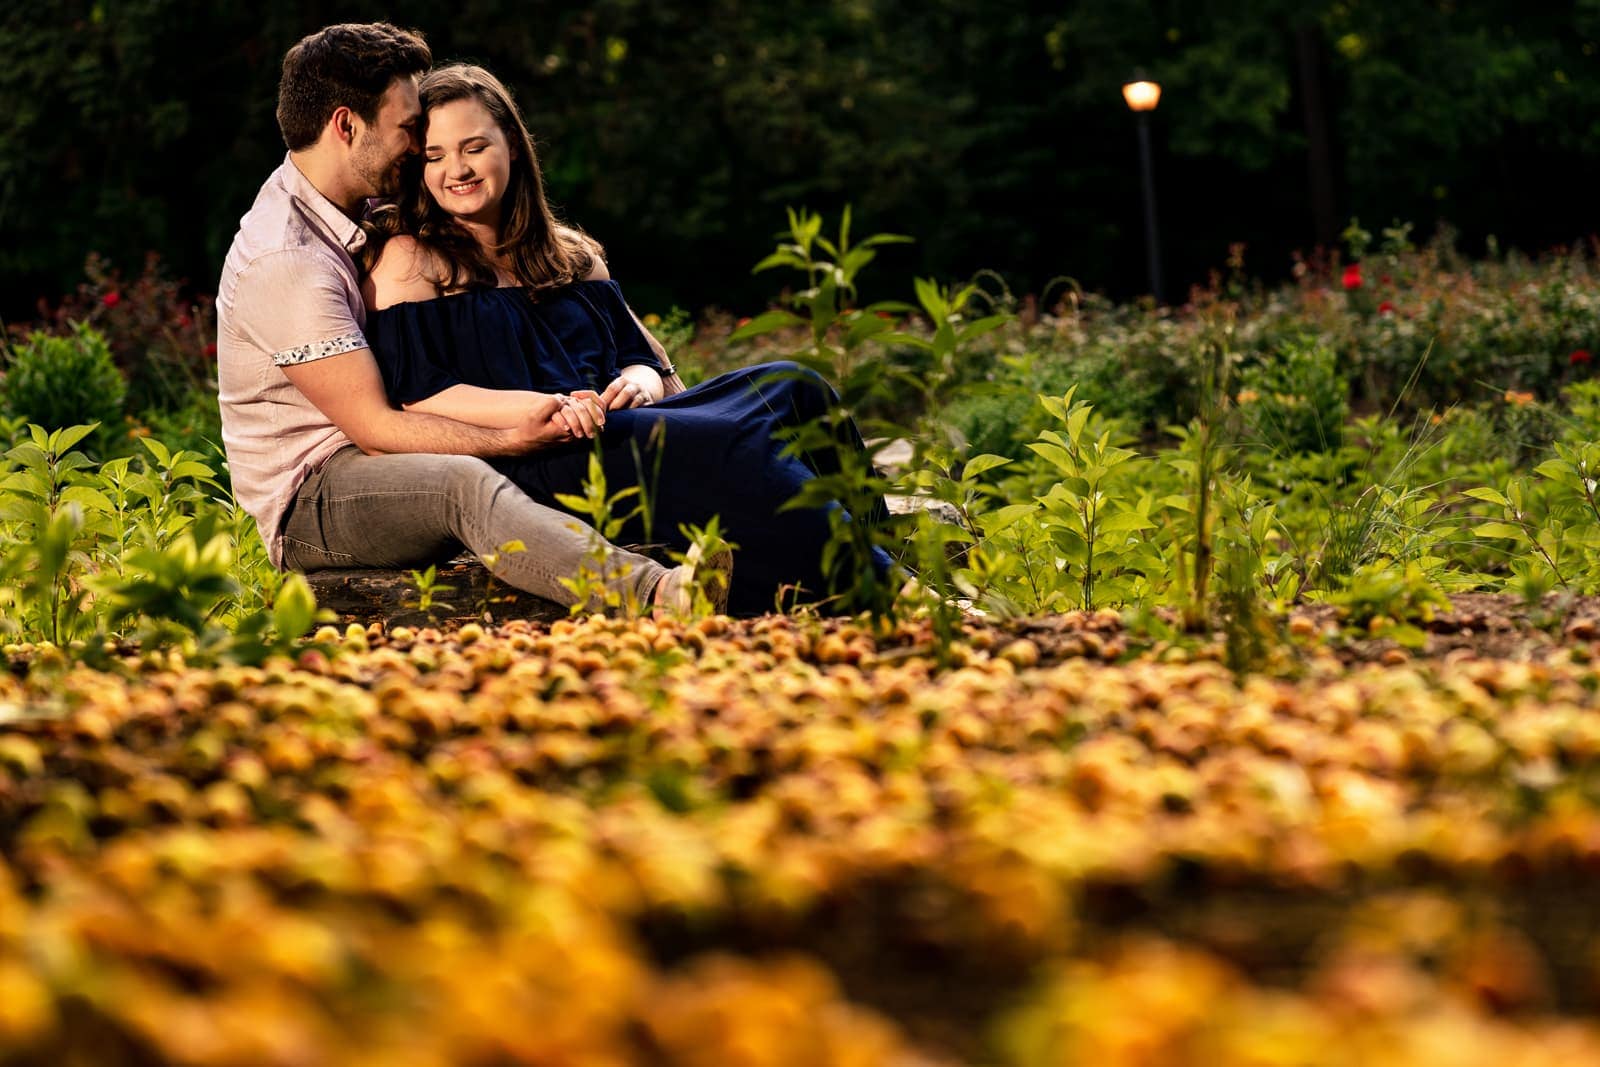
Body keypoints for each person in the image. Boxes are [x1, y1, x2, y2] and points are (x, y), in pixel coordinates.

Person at [359, 64, 893, 616]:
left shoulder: (570, 254)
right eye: (436, 155)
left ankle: (879, 553)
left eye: (474, 147)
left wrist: (637, 383)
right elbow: (421, 392)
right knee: (723, 440)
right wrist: (549, 407)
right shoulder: (413, 259)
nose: (458, 169)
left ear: (513, 146)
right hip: (542, 454)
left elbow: (644, 361)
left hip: (621, 426)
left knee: (792, 386)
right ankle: (885, 591)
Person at [216, 24, 707, 615]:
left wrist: (647, 367)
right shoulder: (287, 259)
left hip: (385, 456)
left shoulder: (359, 199)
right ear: (347, 126)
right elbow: (376, 427)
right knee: (462, 484)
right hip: (319, 493)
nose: (415, 147)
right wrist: (508, 436)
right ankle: (654, 594)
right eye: (408, 130)